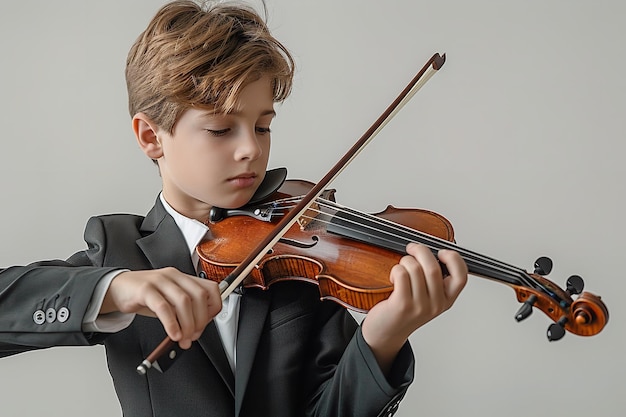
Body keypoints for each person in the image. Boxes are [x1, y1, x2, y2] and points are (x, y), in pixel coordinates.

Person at [0, 1, 467, 416]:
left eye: (262, 127)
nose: (250, 150)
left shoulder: (301, 263)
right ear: (150, 137)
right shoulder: (120, 253)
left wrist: (380, 341)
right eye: (222, 130)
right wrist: (116, 289)